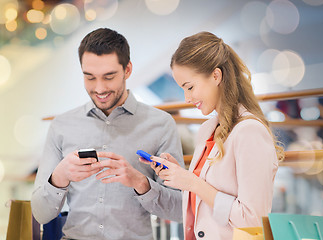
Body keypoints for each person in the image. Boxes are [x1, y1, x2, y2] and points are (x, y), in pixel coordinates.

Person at [31, 28, 184, 240]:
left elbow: (180, 210)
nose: (100, 88)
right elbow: (40, 213)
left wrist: (141, 183)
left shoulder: (161, 124)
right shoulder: (61, 126)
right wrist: (59, 177)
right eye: (90, 77)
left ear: (127, 70)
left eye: (109, 77)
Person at [146, 31, 284, 240]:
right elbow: (205, 203)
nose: (187, 98)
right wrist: (181, 176)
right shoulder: (207, 129)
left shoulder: (249, 131)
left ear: (216, 76)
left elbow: (253, 220)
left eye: (190, 87)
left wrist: (193, 183)